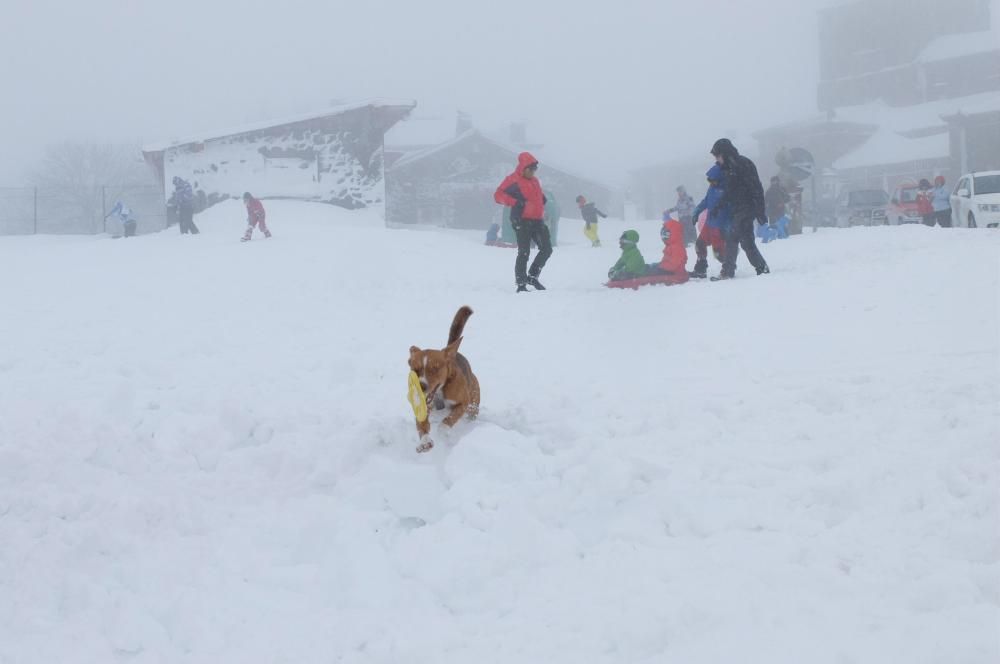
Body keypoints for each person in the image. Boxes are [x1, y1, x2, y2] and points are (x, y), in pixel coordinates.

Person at [710, 138, 769, 279]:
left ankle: (727, 271)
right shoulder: (729, 168)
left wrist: (760, 211)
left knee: (731, 236)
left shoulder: (743, 164)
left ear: (724, 153)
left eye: (718, 156)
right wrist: (718, 206)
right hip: (738, 208)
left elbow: (756, 188)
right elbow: (730, 191)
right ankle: (761, 267)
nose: (717, 160)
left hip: (748, 207)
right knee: (747, 241)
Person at [494, 152, 553, 292]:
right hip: (521, 220)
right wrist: (515, 202)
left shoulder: (535, 181)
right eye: (531, 169)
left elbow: (536, 195)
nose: (533, 172)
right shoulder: (512, 180)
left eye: (535, 169)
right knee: (524, 251)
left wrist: (542, 199)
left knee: (547, 249)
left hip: (537, 220)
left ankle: (532, 277)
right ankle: (521, 283)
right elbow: (498, 196)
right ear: (523, 167)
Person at [688, 164, 731, 279]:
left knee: (719, 254)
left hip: (719, 226)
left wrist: (727, 227)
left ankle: (727, 270)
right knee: (699, 244)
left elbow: (730, 209)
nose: (711, 183)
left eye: (714, 181)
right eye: (710, 181)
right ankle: (701, 269)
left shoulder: (727, 189)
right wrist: (696, 212)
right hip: (709, 224)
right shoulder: (712, 189)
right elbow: (706, 201)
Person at [646, 216, 689, 282]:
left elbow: (673, 264)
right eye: (663, 235)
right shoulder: (670, 246)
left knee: (651, 271)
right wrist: (659, 265)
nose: (664, 237)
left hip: (674, 272)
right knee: (651, 267)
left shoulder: (677, 248)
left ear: (675, 234)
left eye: (666, 235)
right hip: (668, 269)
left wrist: (661, 267)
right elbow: (667, 261)